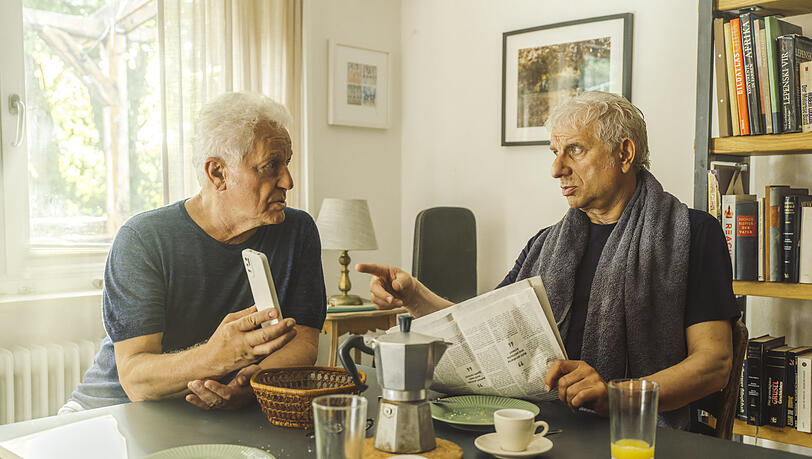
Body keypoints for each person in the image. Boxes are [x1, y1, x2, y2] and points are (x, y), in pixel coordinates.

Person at [357, 91, 738, 430]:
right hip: (538, 426)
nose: (556, 169)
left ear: (624, 153)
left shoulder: (692, 234)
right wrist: (413, 295)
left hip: (636, 434)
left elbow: (714, 364)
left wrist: (615, 395)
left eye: (574, 150)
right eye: (554, 153)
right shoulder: (545, 244)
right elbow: (480, 331)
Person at [63, 92, 326, 413]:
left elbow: (303, 341)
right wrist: (219, 355)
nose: (288, 180)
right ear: (218, 173)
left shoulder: (297, 231)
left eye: (287, 163)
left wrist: (251, 383)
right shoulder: (143, 239)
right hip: (111, 412)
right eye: (271, 166)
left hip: (219, 414)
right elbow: (135, 380)